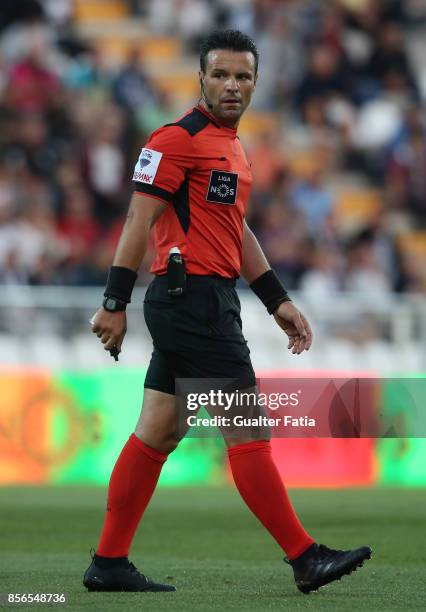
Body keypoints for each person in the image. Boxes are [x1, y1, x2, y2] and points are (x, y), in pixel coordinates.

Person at [83, 30, 372, 595]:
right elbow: (137, 222)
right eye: (221, 75)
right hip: (189, 300)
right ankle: (304, 556)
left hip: (206, 299)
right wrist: (113, 304)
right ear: (201, 78)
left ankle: (109, 562)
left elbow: (234, 231)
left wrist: (277, 300)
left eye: (243, 76)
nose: (232, 85)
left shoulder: (234, 147)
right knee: (248, 430)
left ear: (256, 83)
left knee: (160, 431)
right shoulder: (175, 139)